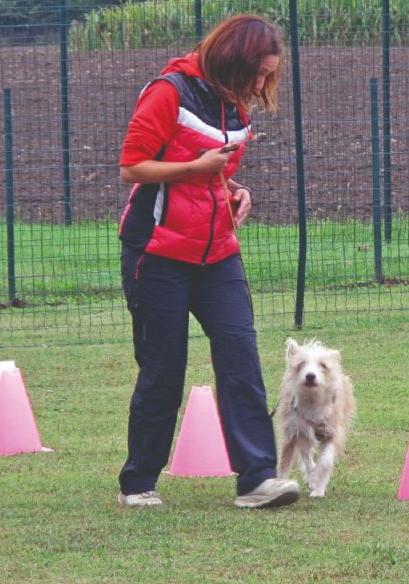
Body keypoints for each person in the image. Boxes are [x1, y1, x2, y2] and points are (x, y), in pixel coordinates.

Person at [115, 14, 298, 509]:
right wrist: (196, 168)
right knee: (163, 370)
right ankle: (138, 482)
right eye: (256, 73)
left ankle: (258, 479)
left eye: (268, 76)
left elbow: (213, 174)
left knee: (240, 355)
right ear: (231, 59)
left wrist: (236, 190)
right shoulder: (169, 92)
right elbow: (132, 165)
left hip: (217, 251)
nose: (260, 85)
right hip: (156, 253)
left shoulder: (236, 106)